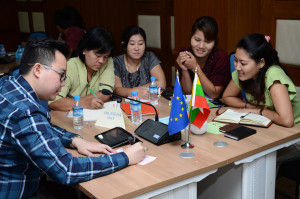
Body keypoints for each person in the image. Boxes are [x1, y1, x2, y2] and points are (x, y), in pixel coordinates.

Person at [0, 38, 145, 198]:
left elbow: (39, 127)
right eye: (61, 75)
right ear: (38, 70)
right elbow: (66, 169)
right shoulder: (25, 111)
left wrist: (75, 140)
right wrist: (125, 157)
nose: (63, 84)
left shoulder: (8, 83)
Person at [222, 33, 300, 163]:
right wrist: (250, 107)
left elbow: (287, 120)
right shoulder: (242, 73)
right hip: (271, 127)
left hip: (294, 135)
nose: (237, 67)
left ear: (261, 63)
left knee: (255, 159)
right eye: (235, 60)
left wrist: (258, 111)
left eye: (243, 63)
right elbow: (227, 97)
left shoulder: (273, 75)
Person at [49, 27, 115, 111]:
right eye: (97, 56)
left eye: (105, 56)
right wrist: (85, 103)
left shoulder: (108, 61)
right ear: (85, 50)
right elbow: (54, 101)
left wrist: (78, 102)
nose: (101, 61)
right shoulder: (70, 66)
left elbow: (106, 93)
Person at [176, 16, 230, 100]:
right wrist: (184, 69)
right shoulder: (185, 53)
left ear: (215, 42)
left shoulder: (220, 57)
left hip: (218, 106)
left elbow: (214, 94)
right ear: (191, 37)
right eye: (197, 40)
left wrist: (195, 68)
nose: (201, 46)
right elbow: (188, 93)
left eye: (207, 42)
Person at [113, 25, 166, 99]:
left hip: (149, 102)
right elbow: (117, 90)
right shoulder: (116, 62)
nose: (137, 48)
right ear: (124, 45)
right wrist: (135, 92)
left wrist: (134, 91)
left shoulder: (149, 57)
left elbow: (161, 83)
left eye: (140, 44)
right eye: (132, 44)